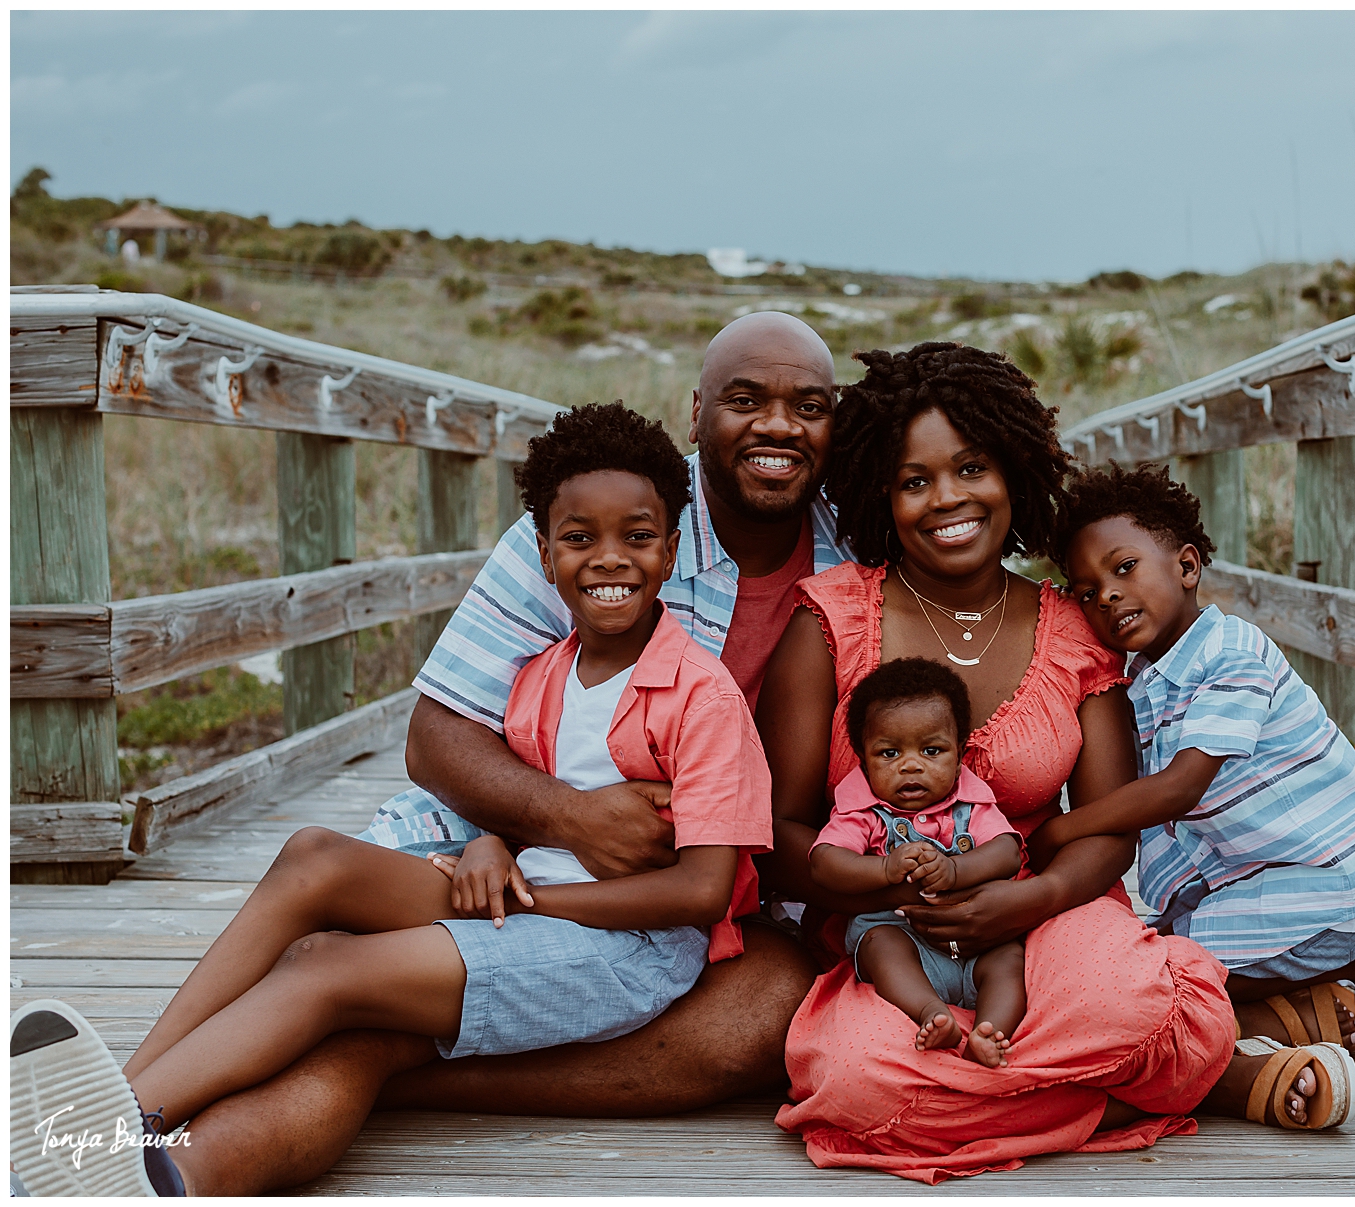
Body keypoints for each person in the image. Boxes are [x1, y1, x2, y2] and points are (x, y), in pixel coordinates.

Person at [115, 312, 845, 1196]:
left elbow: (703, 881)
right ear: (696, 412)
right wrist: (517, 829)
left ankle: (157, 1120)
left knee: (338, 991)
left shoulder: (836, 565)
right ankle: (108, 1117)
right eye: (744, 398)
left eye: (808, 404)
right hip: (513, 861)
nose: (777, 424)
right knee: (317, 895)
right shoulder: (598, 523)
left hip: (652, 909)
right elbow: (448, 737)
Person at [762, 342, 1355, 1185]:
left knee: (1139, 1005)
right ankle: (1169, 1090)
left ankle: (1003, 1108)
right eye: (914, 479)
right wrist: (893, 884)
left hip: (1051, 911)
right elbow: (779, 835)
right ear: (879, 495)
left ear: (1013, 468)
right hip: (895, 944)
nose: (948, 500)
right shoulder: (829, 621)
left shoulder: (1074, 631)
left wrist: (1025, 897)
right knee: (857, 1082)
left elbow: (1110, 831)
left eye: (972, 466)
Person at [1044, 462, 1355, 1059]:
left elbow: (1181, 786)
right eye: (1086, 592)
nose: (1106, 595)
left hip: (1323, 879)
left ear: (1187, 566)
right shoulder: (1141, 678)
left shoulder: (1229, 654)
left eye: (1124, 568)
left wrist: (1061, 828)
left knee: (1175, 973)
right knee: (1158, 955)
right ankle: (1322, 996)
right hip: (1250, 876)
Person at [809, 658, 1026, 1069]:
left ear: (960, 751)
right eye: (889, 753)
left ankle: (989, 1031)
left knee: (1009, 958)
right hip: (903, 940)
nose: (911, 765)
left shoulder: (970, 801)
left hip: (977, 941)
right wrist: (884, 869)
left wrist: (955, 871)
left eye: (931, 750)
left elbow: (1007, 852)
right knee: (879, 945)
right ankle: (931, 1013)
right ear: (862, 758)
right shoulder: (864, 811)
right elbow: (825, 863)